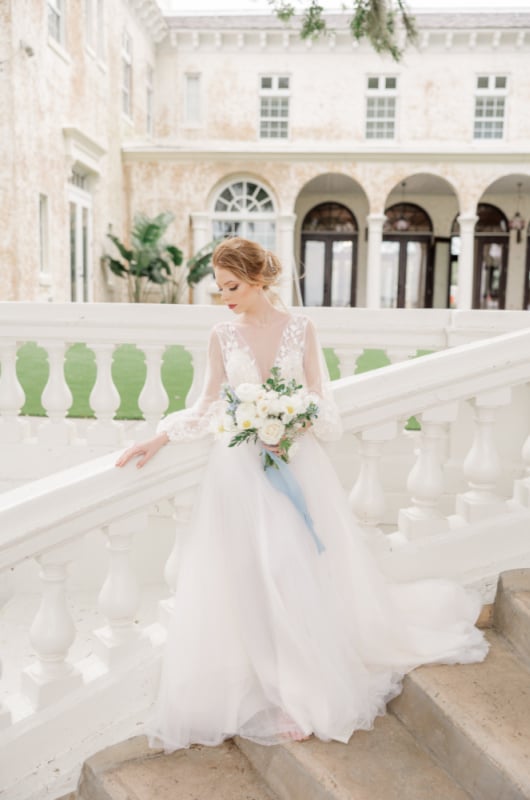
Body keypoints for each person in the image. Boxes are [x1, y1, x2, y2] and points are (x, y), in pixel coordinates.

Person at [116, 236, 488, 751]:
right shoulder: (221, 335)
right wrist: (160, 436)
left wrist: (290, 424)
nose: (224, 296)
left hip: (296, 462)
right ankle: (264, 679)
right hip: (238, 471)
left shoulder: (301, 329)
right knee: (251, 573)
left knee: (293, 570)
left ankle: (301, 689)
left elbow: (321, 400)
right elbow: (206, 402)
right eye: (219, 287)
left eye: (233, 286)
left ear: (260, 279)